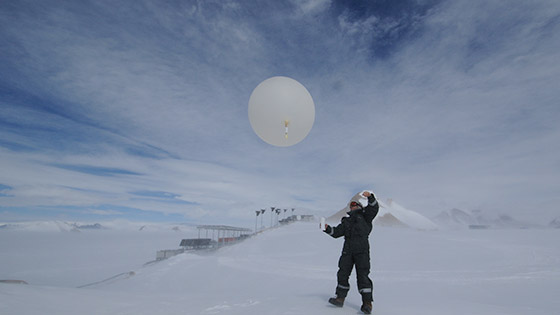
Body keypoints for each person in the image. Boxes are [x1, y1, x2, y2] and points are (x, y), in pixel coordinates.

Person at [322, 191, 379, 314]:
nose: (353, 207)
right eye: (351, 205)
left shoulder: (366, 217)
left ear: (360, 207)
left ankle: (367, 304)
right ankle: (340, 298)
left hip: (362, 251)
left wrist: (371, 197)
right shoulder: (346, 221)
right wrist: (327, 229)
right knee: (342, 273)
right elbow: (336, 232)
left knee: (363, 276)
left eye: (355, 205)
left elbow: (374, 208)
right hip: (347, 252)